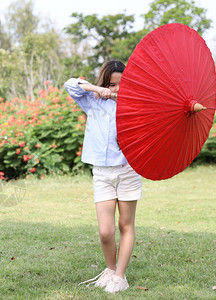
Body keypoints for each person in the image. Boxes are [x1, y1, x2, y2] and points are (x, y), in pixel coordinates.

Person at [64, 60, 142, 293]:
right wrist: (98, 90)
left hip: (128, 170)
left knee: (125, 224)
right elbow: (70, 84)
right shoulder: (92, 101)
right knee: (105, 231)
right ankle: (109, 269)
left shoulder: (133, 105)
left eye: (120, 85)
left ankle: (120, 276)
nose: (115, 90)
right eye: (111, 84)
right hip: (102, 172)